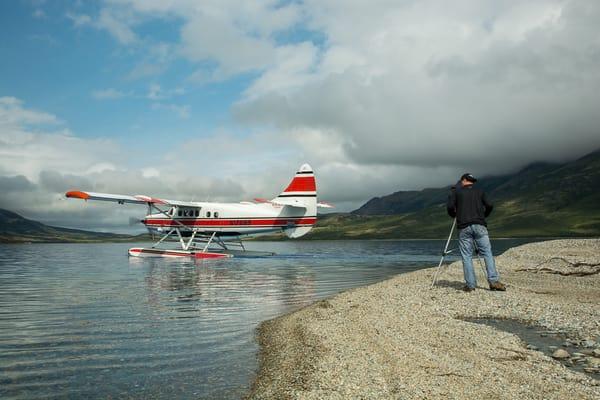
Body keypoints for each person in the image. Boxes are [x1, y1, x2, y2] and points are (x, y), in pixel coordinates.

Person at [446, 173, 506, 292]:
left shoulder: (456, 192)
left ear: (463, 180)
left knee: (466, 255)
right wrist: (484, 215)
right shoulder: (480, 191)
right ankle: (494, 281)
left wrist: (455, 215)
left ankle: (470, 285)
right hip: (480, 225)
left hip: (464, 226)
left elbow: (449, 207)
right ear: (472, 181)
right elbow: (489, 205)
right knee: (487, 253)